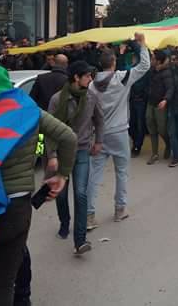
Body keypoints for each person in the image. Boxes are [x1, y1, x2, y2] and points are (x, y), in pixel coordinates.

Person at [0, 76, 78, 306]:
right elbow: (68, 136)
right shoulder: (29, 110)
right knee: (5, 280)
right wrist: (61, 174)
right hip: (17, 205)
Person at [87, 33, 150, 229]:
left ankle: (89, 215)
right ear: (113, 62)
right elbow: (144, 66)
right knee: (122, 172)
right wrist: (142, 44)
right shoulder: (122, 78)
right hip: (120, 132)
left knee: (94, 175)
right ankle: (119, 209)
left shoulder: (91, 85)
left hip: (98, 135)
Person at [48, 61, 104, 254]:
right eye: (87, 76)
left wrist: (98, 141)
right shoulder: (57, 100)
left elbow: (99, 119)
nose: (90, 79)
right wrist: (51, 155)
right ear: (76, 78)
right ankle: (65, 223)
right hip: (62, 152)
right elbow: (48, 130)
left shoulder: (91, 97)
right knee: (61, 194)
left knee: (80, 193)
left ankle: (80, 240)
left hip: (81, 150)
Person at [146, 50, 173, 164]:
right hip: (150, 102)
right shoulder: (151, 70)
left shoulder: (166, 72)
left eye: (152, 58)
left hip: (160, 104)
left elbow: (170, 88)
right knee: (151, 127)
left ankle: (168, 144)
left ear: (158, 61)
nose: (151, 60)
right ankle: (155, 153)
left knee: (162, 129)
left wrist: (165, 100)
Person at [129, 62, 150, 157]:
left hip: (141, 101)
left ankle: (137, 146)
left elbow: (148, 86)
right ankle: (135, 142)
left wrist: (144, 95)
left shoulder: (147, 71)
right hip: (133, 100)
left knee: (140, 125)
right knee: (131, 125)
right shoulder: (134, 69)